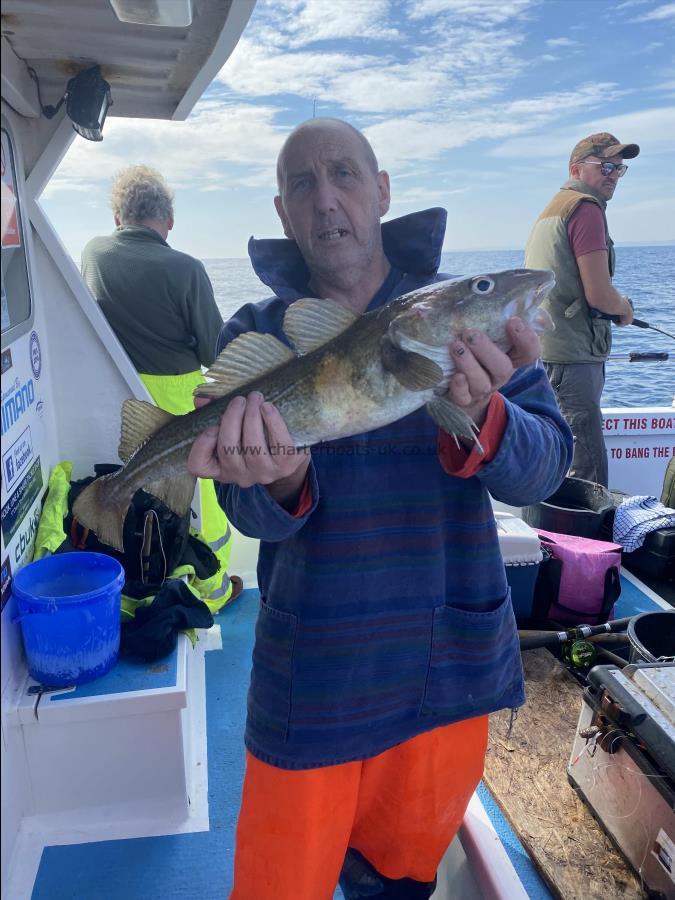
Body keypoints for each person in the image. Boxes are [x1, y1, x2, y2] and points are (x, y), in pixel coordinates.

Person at [188, 118, 573, 900]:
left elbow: (543, 471)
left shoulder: (473, 322)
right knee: (278, 885)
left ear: (382, 191)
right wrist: (280, 481)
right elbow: (246, 515)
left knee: (399, 882)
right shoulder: (256, 333)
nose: (326, 199)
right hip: (316, 680)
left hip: (447, 669)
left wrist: (490, 415)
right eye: (302, 184)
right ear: (283, 210)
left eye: (344, 175)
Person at [81, 165, 238, 611]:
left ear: (117, 217)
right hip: (178, 404)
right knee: (203, 506)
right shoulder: (186, 267)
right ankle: (211, 591)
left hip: (123, 403)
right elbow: (214, 351)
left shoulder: (93, 253)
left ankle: (137, 589)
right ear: (168, 220)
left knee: (141, 503)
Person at [524, 132, 639, 487]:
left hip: (542, 355)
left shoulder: (552, 209)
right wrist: (624, 308)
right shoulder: (586, 210)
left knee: (552, 463)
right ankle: (587, 543)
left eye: (618, 169)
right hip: (574, 358)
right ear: (576, 169)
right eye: (604, 165)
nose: (612, 175)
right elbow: (600, 295)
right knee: (586, 471)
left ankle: (549, 543)